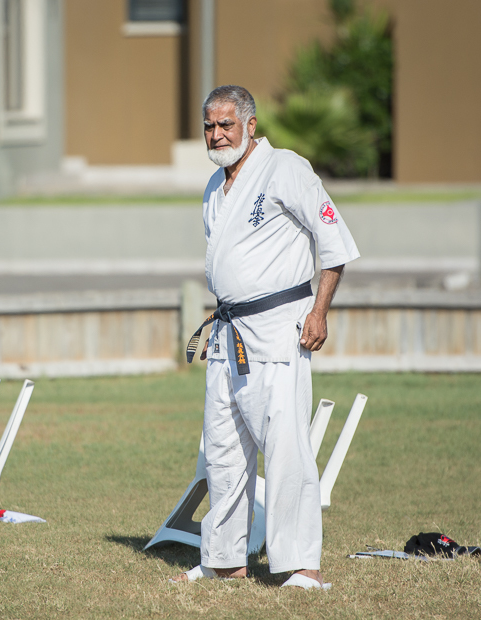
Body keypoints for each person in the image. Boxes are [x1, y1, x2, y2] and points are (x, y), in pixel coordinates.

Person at [172, 85, 359, 589]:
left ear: (250, 125)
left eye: (226, 124)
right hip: (228, 333)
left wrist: (319, 311)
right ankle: (224, 559)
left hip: (279, 330)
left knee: (286, 447)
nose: (216, 134)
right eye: (209, 125)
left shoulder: (287, 169)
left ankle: (302, 566)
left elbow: (333, 244)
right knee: (223, 448)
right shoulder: (215, 185)